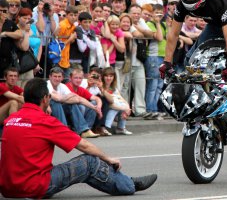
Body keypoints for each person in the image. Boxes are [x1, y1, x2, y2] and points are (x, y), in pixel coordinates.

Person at [0, 77, 157, 198]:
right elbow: (83, 145)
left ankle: (126, 180)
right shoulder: (45, 121)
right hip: (33, 187)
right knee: (90, 161)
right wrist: (108, 158)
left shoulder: (11, 120)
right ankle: (130, 185)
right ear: (46, 98)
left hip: (8, 188)